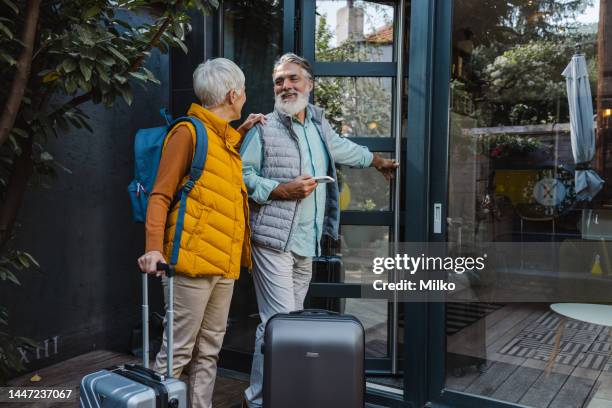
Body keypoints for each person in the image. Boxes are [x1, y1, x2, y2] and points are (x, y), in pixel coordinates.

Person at [240, 53, 398, 408]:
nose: (286, 86)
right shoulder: (263, 127)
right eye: (279, 80)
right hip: (273, 240)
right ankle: (260, 399)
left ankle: (284, 394)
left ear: (309, 85)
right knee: (277, 324)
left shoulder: (317, 124)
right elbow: (242, 175)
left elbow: (342, 149)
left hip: (306, 242)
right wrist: (281, 189)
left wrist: (376, 161)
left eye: (293, 79)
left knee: (290, 325)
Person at [137, 58, 265, 408]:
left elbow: (214, 182)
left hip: (224, 266)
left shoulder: (225, 142)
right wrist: (153, 248)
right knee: (176, 352)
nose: (245, 97)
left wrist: (241, 134)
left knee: (209, 352)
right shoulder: (187, 132)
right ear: (232, 94)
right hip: (188, 265)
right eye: (242, 91)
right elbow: (160, 194)